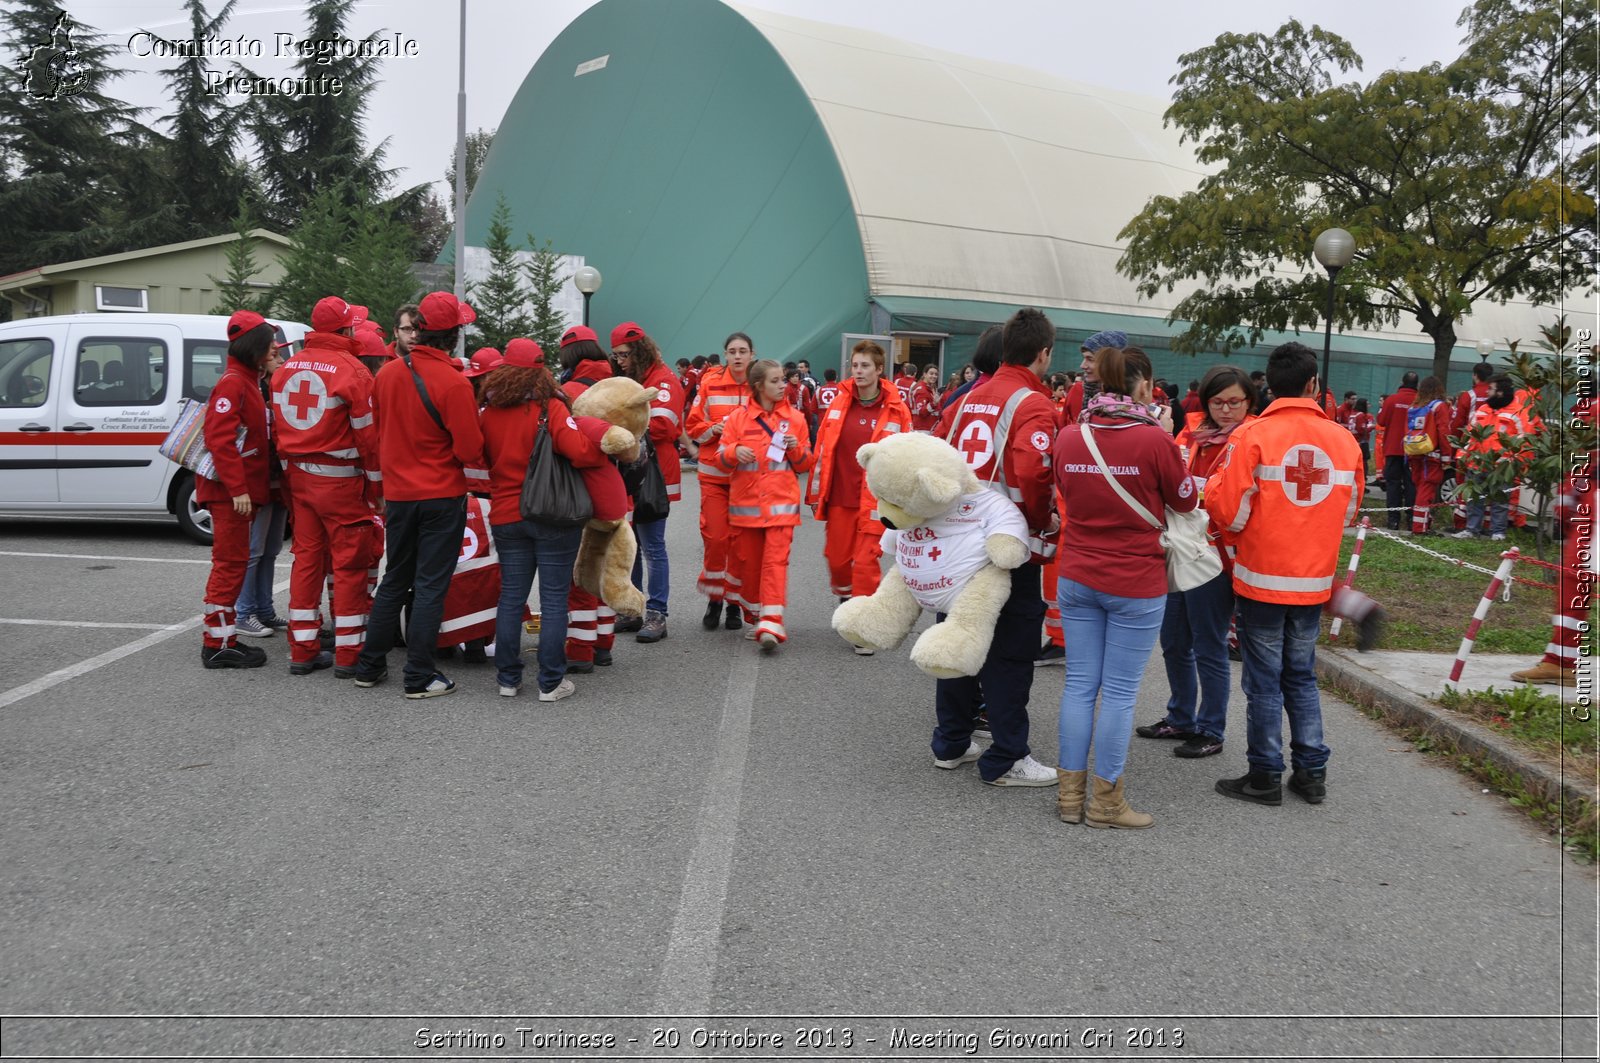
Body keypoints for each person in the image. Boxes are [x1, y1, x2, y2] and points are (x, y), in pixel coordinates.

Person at [1206, 341, 1364, 806]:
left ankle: (1265, 775)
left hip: (1261, 581)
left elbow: (1229, 512)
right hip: (1313, 582)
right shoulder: (1344, 439)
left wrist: (1215, 486)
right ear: (1313, 385)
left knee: (1263, 681)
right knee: (1301, 676)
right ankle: (1312, 773)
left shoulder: (1252, 436)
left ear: (1267, 387)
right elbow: (1350, 510)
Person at [1052, 345, 1192, 827]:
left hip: (1077, 573)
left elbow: (1065, 492)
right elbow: (1186, 500)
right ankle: (1106, 802)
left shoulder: (1070, 436)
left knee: (1078, 687)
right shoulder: (1155, 441)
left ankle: (1069, 797)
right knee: (1118, 692)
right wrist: (1170, 439)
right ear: (1142, 385)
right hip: (1135, 580)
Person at [928, 307, 1061, 788]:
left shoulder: (965, 399)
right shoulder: (1035, 404)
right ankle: (1006, 757)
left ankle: (952, 743)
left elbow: (936, 457)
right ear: (1044, 353)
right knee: (1010, 651)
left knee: (959, 637)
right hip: (1006, 546)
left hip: (957, 544)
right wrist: (1041, 517)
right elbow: (1031, 472)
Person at [353, 291, 488, 698]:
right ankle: (418, 675)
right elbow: (469, 450)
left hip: (398, 495)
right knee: (430, 585)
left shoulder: (388, 374)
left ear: (423, 329)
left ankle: (370, 666)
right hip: (441, 496)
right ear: (455, 336)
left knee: (395, 579)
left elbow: (376, 433)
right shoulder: (453, 382)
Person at [1137, 365, 1256, 759]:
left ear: (1249, 402)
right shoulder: (1191, 434)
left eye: (1235, 402)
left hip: (1216, 557)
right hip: (1179, 549)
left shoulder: (1251, 439)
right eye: (1218, 402)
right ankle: (1181, 717)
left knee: (1209, 645)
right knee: (1173, 640)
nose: (1226, 409)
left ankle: (1211, 728)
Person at [479, 339, 607, 702]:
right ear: (541, 371)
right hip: (551, 513)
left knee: (510, 597)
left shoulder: (488, 412)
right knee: (553, 600)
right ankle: (550, 683)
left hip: (506, 513)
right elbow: (580, 452)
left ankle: (507, 679)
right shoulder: (549, 407)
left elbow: (480, 455)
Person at [271, 296, 382, 678]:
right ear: (345, 330)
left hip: (299, 480)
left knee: (306, 562)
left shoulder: (285, 368)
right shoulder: (352, 370)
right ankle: (349, 655)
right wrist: (376, 488)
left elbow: (278, 432)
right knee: (349, 565)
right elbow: (368, 439)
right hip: (340, 482)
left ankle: (302, 650)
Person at [713, 358, 814, 650]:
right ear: (758, 386)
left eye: (784, 379)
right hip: (746, 511)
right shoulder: (737, 419)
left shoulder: (795, 418)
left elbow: (806, 463)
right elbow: (719, 460)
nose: (783, 385)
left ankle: (771, 622)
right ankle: (756, 614)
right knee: (750, 566)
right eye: (776, 381)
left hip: (782, 507)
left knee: (775, 563)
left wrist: (797, 451)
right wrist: (734, 451)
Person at [806, 339, 911, 616]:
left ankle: (862, 623)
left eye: (865, 366)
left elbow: (907, 457)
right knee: (837, 560)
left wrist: (903, 502)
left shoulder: (897, 409)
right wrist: (815, 494)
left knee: (866, 562)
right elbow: (822, 451)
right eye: (854, 365)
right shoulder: (840, 403)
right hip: (841, 496)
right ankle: (847, 597)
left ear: (879, 370)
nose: (858, 371)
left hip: (876, 501)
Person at [198, 311, 277, 670]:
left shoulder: (246, 379)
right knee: (229, 566)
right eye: (268, 341)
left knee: (232, 565)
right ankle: (217, 644)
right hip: (231, 495)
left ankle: (224, 637)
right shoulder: (233, 383)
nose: (274, 347)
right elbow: (219, 438)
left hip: (236, 493)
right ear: (253, 346)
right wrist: (238, 489)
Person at [610, 320, 683, 644]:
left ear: (639, 351)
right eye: (616, 356)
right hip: (632, 473)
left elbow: (665, 427)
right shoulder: (634, 380)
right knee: (632, 546)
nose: (620, 361)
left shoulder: (664, 381)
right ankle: (633, 609)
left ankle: (657, 613)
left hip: (655, 477)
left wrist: (623, 422)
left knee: (652, 547)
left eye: (624, 354)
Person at [556, 325, 621, 671]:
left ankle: (580, 649)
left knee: (580, 574)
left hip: (579, 492)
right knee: (606, 570)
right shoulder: (621, 387)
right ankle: (604, 643)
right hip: (618, 490)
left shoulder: (567, 391)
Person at [684, 332, 754, 631]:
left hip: (747, 480)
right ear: (725, 355)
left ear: (752, 354)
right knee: (715, 539)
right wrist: (715, 429)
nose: (737, 356)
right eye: (732, 351)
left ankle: (734, 606)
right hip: (714, 476)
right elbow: (693, 426)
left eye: (743, 351)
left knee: (741, 547)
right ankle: (714, 598)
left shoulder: (760, 385)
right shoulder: (710, 384)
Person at [1510, 448, 1596, 685]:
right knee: (1569, 598)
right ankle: (1560, 662)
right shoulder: (1589, 454)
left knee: (1571, 597)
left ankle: (1561, 662)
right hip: (1588, 528)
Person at [233, 340, 290, 639]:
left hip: (278, 480)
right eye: (275, 354)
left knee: (271, 550)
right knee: (254, 550)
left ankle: (265, 610)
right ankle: (244, 613)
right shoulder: (251, 389)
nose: (280, 359)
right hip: (259, 481)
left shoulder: (275, 389)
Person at [1451, 373, 1528, 541]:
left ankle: (1497, 533)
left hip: (1502, 467)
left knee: (1500, 501)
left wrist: (1511, 462)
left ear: (1500, 392)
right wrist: (1463, 456)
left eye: (1490, 389)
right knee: (1474, 499)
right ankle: (1472, 530)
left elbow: (1524, 439)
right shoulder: (1483, 410)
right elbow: (1470, 435)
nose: (1486, 392)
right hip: (1477, 464)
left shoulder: (1517, 412)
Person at [1405, 376, 1454, 535]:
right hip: (1431, 455)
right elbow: (1444, 432)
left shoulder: (1414, 406)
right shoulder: (1439, 407)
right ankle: (1419, 528)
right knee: (1426, 491)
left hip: (1415, 451)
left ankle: (1425, 523)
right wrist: (1447, 456)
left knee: (1420, 488)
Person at [1377, 371, 1420, 530]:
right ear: (1417, 384)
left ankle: (1393, 520)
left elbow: (1381, 421)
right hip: (1414, 450)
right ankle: (1411, 519)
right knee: (1411, 484)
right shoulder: (1420, 401)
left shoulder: (1392, 400)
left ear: (1402, 382)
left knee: (1393, 484)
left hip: (1393, 449)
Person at [1058, 330, 1126, 423]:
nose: (1082, 365)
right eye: (1084, 358)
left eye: (1090, 359)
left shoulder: (1130, 397)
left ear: (1109, 363)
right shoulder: (1077, 390)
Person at [909, 363, 942, 432]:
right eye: (931, 373)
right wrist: (934, 404)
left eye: (936, 374)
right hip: (923, 429)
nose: (934, 376)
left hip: (928, 428)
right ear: (924, 374)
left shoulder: (930, 388)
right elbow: (922, 412)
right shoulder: (921, 390)